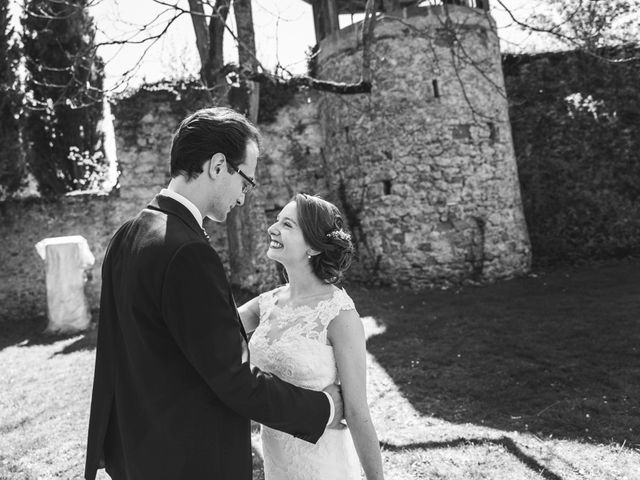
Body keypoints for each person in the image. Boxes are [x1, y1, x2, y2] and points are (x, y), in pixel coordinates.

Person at [85, 108, 344, 480]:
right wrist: (323, 408)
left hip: (136, 454)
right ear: (218, 165)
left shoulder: (127, 234)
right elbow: (234, 379)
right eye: (246, 181)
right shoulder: (188, 251)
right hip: (189, 461)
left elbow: (124, 353)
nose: (243, 197)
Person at [238, 193, 385, 480]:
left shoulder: (339, 313)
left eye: (288, 224)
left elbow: (357, 413)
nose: (272, 228)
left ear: (314, 247)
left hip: (321, 467)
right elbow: (210, 330)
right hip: (277, 465)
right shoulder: (265, 303)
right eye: (277, 220)